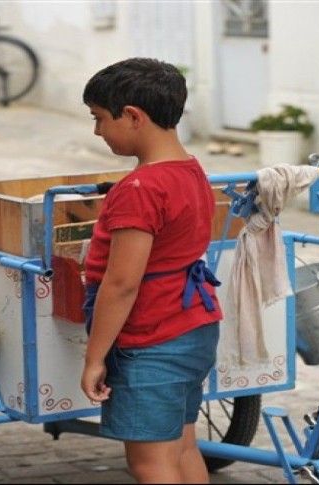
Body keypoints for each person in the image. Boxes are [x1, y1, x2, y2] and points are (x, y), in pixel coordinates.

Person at [79, 57, 222, 484]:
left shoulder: (140, 189)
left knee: (150, 463)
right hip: (193, 328)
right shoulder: (191, 170)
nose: (97, 131)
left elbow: (122, 284)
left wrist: (94, 358)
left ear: (133, 116)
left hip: (151, 340)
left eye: (99, 118)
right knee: (181, 448)